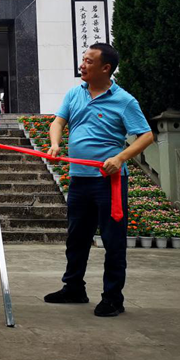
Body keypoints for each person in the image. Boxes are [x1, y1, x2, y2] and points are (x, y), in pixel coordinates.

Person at [44, 43, 154, 317]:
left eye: (89, 61)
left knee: (113, 240)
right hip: (80, 179)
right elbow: (58, 122)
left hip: (109, 183)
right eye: (83, 60)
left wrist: (120, 158)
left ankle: (113, 297)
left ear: (106, 68)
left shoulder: (124, 100)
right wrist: (55, 144)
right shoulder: (74, 93)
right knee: (77, 238)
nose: (82, 65)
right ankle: (73, 288)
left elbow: (146, 135)